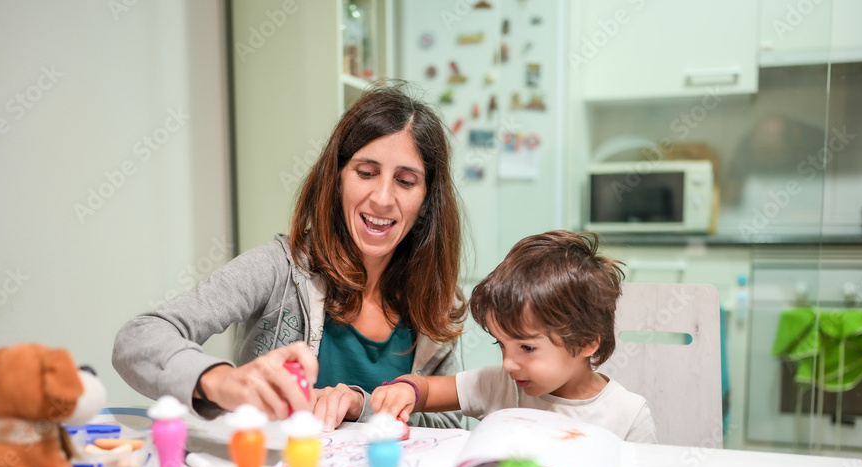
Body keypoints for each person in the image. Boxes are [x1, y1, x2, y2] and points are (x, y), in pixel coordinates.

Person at [112, 81, 467, 429]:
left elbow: (449, 425)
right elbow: (137, 339)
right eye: (366, 173)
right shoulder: (279, 268)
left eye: (405, 181)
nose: (383, 198)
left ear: (425, 202)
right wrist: (223, 383)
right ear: (338, 178)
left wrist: (361, 405)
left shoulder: (434, 297)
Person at [371, 230, 658, 443]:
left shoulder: (628, 416)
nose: (508, 363)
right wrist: (406, 389)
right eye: (502, 345)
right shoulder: (501, 384)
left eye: (527, 347)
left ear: (585, 342)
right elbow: (429, 391)